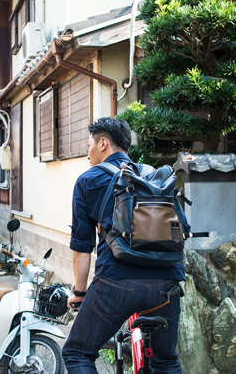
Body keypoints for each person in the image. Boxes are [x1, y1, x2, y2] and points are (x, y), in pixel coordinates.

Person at [62, 117, 184, 374]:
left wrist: (80, 292)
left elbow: (82, 246)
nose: (87, 154)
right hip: (167, 283)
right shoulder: (154, 175)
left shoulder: (88, 180)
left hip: (116, 282)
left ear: (103, 143)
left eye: (89, 146)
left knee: (77, 353)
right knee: (166, 361)